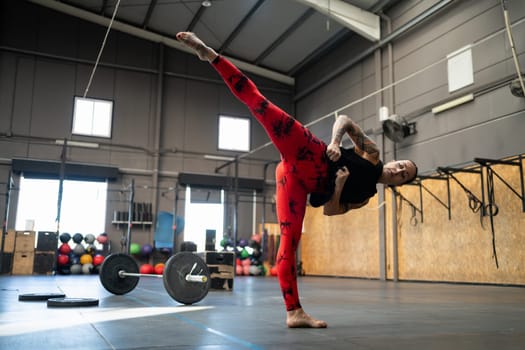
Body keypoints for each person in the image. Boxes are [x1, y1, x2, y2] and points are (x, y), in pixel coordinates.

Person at [176, 32, 418, 328]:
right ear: (394, 160)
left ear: (397, 185)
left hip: (298, 182)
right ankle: (211, 55)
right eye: (401, 165)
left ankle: (294, 312)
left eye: (403, 175)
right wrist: (333, 141)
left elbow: (330, 210)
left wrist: (339, 186)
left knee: (289, 242)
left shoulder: (365, 196)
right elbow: (345, 120)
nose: (398, 171)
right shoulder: (372, 153)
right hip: (311, 152)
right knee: (261, 106)